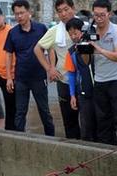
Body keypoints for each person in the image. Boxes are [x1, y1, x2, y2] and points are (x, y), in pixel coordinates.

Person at [5, 0, 54, 136]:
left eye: (21, 13)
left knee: (44, 111)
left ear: (29, 12)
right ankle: (20, 140)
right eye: (16, 14)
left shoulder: (41, 28)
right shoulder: (13, 33)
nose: (19, 16)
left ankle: (51, 139)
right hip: (21, 78)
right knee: (20, 112)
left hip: (39, 77)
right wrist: (9, 77)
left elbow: (50, 49)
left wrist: (51, 68)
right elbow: (8, 55)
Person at [89, 0, 117, 146]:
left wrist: (98, 49)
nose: (99, 18)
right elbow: (85, 60)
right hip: (100, 81)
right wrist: (84, 48)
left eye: (102, 15)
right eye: (96, 15)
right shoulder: (91, 31)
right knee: (103, 121)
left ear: (109, 13)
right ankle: (107, 152)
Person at [34, 0, 81, 139]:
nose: (63, 14)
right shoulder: (55, 31)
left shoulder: (85, 27)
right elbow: (38, 49)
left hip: (86, 82)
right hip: (65, 81)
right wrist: (50, 69)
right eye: (60, 11)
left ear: (73, 8)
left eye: (66, 9)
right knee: (69, 121)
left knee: (89, 120)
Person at [64, 18, 97, 141]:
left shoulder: (94, 46)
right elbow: (71, 74)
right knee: (86, 125)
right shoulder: (71, 51)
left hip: (99, 91)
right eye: (70, 34)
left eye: (75, 33)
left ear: (82, 31)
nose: (73, 36)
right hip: (83, 93)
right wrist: (72, 95)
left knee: (102, 123)